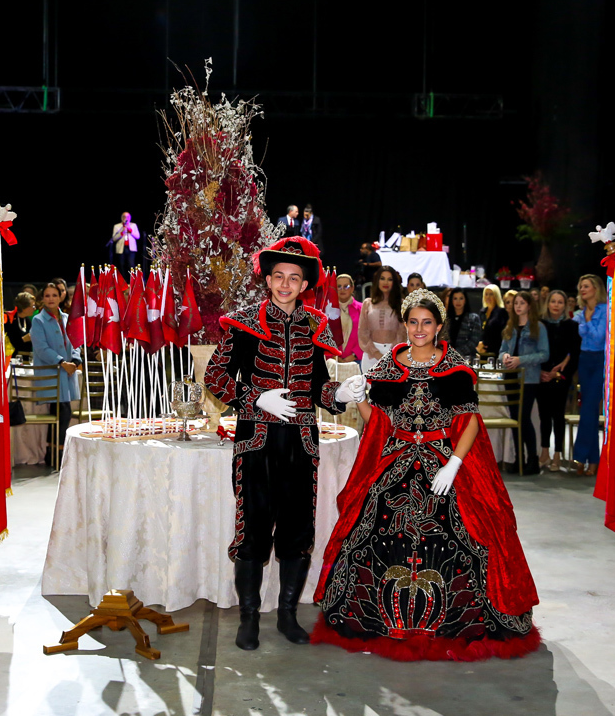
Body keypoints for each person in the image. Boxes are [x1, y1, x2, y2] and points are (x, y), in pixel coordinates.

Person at [312, 288, 540, 661]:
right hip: (396, 458)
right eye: (414, 322)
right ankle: (381, 618)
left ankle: (450, 622)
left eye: (427, 323)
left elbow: (469, 421)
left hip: (443, 461)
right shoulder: (389, 365)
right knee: (371, 520)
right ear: (405, 324)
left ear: (438, 326)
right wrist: (361, 399)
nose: (420, 329)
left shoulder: (454, 366)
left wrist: (454, 464)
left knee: (467, 529)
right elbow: (379, 423)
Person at [203, 236, 359, 651]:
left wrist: (340, 394)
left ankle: (288, 615)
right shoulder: (244, 323)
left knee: (297, 531)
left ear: (305, 284)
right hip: (256, 443)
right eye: (278, 276)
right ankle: (249, 617)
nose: (285, 284)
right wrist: (255, 398)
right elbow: (215, 378)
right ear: (268, 279)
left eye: (294, 278)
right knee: (252, 530)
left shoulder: (315, 326)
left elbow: (319, 387)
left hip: (301, 443)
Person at [502, 291, 550, 475]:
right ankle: (518, 459)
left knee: (523, 418)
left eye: (522, 303)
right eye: (516, 303)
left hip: (528, 378)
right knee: (515, 419)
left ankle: (532, 459)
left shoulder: (538, 327)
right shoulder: (510, 326)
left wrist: (520, 360)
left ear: (529, 305)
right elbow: (501, 350)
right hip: (510, 376)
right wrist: (504, 356)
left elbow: (544, 354)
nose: (518, 306)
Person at [30, 283, 83, 444]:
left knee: (63, 412)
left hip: (67, 372)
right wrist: (61, 362)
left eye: (54, 295)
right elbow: (41, 348)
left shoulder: (67, 318)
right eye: (47, 295)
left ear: (61, 297)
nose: (51, 299)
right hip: (51, 372)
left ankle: (53, 450)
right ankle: (56, 449)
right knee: (61, 411)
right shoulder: (38, 320)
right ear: (42, 299)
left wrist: (75, 361)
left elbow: (76, 342)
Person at [539, 290, 579, 472]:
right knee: (544, 416)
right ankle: (544, 453)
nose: (556, 305)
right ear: (548, 304)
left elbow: (574, 353)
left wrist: (559, 373)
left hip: (561, 377)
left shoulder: (571, 325)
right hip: (542, 376)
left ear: (565, 305)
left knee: (557, 415)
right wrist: (542, 372)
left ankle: (557, 454)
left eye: (560, 302)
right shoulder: (540, 324)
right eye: (553, 301)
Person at [572, 273, 607, 477]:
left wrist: (585, 322)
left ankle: (580, 455)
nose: (582, 290)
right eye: (581, 286)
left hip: (600, 359)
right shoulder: (579, 312)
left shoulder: (605, 310)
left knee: (588, 408)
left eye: (586, 286)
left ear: (596, 288)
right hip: (584, 360)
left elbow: (599, 336)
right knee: (589, 410)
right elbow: (576, 338)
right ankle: (593, 460)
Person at [358, 266, 406, 374]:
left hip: (394, 355)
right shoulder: (367, 303)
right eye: (382, 278)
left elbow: (402, 332)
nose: (386, 282)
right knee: (370, 385)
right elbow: (363, 332)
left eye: (390, 279)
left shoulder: (401, 304)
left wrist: (390, 354)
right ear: (377, 281)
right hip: (370, 354)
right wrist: (375, 353)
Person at [446, 289, 482, 362]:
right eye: (455, 298)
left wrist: (455, 353)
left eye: (461, 298)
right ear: (451, 301)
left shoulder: (474, 318)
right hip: (447, 359)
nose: (458, 301)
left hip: (467, 359)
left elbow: (474, 341)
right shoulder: (445, 319)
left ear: (465, 300)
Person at [335, 274, 363, 363]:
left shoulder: (362, 309)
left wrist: (354, 355)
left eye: (346, 286)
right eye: (339, 286)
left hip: (357, 360)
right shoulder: (327, 309)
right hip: (333, 361)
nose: (342, 289)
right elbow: (323, 337)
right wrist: (334, 356)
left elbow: (367, 336)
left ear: (352, 288)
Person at [475, 285, 508, 360]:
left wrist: (485, 344)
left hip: (495, 351)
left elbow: (500, 334)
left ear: (496, 296)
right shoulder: (482, 312)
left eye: (491, 294)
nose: (488, 297)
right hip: (480, 351)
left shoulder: (501, 312)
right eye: (486, 294)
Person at [112, 212, 141, 278]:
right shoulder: (117, 226)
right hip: (121, 248)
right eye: (124, 216)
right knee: (121, 265)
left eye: (127, 217)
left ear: (130, 218)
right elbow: (114, 238)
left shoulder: (133, 225)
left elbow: (138, 236)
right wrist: (122, 232)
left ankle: (132, 280)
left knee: (131, 264)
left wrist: (130, 230)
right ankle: (123, 281)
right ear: (121, 217)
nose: (125, 218)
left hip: (131, 248)